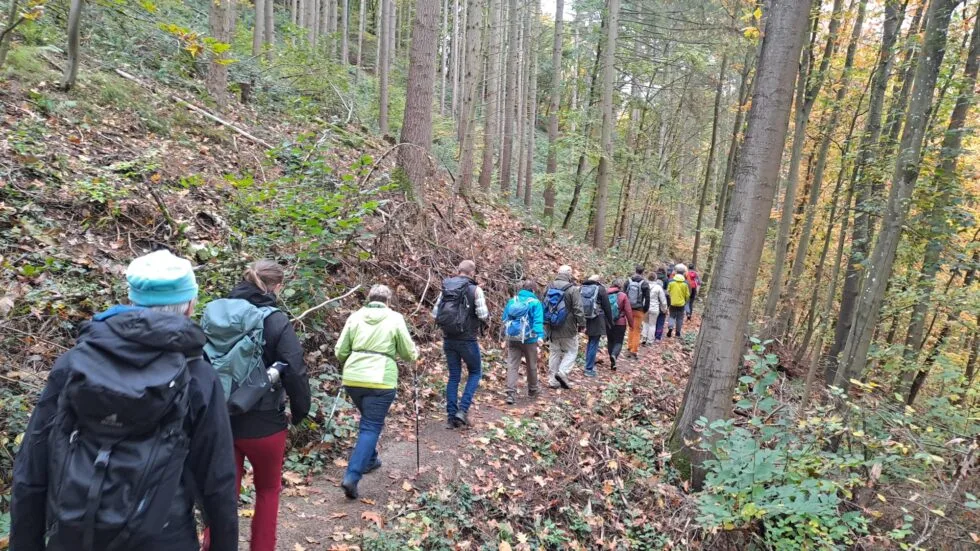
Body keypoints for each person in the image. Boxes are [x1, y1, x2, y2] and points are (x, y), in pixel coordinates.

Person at [11, 250, 239, 551]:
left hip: (75, 532)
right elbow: (217, 479)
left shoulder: (74, 364)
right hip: (163, 536)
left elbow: (32, 467)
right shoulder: (197, 375)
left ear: (131, 299)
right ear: (190, 306)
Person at [213, 260, 311, 551]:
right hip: (265, 423)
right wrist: (300, 411)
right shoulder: (275, 319)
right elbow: (295, 368)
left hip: (221, 420)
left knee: (223, 494)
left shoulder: (218, 313)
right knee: (268, 491)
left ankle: (214, 545)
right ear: (276, 286)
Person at [335, 285, 419, 499]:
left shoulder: (355, 317)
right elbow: (408, 352)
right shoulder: (395, 318)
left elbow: (340, 350)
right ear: (388, 301)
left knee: (367, 421)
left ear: (369, 298)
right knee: (371, 427)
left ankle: (370, 459)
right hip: (381, 380)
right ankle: (352, 477)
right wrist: (414, 354)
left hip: (353, 378)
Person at [433, 260, 489, 428]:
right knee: (475, 372)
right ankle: (462, 411)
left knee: (454, 376)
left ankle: (451, 417)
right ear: (472, 273)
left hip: (449, 338)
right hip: (467, 339)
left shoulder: (447, 287)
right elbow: (483, 314)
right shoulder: (475, 289)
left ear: (459, 270)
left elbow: (435, 313)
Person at [500, 280, 545, 404]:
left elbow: (505, 318)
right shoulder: (535, 303)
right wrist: (540, 336)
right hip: (529, 339)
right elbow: (537, 321)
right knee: (531, 365)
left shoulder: (512, 301)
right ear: (533, 290)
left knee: (512, 365)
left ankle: (510, 393)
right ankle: (532, 390)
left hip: (513, 337)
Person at [544, 265, 585, 389]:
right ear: (569, 274)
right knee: (572, 351)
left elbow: (544, 304)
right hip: (568, 327)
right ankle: (562, 372)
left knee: (554, 351)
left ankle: (552, 381)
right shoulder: (572, 289)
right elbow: (578, 308)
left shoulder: (549, 286)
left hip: (551, 326)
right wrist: (582, 323)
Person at [581, 274, 614, 377]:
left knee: (590, 341)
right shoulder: (600, 289)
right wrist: (610, 321)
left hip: (585, 318)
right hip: (597, 318)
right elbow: (607, 306)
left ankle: (587, 365)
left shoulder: (581, 288)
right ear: (598, 281)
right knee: (594, 342)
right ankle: (588, 369)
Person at [606, 279, 634, 370]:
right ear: (620, 286)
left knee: (610, 341)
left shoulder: (605, 294)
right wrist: (631, 324)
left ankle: (612, 359)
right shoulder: (623, 296)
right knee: (618, 341)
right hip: (620, 323)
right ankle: (614, 356)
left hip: (608, 322)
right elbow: (628, 311)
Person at [625, 265, 651, 357]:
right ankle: (634, 350)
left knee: (631, 328)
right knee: (637, 329)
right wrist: (645, 309)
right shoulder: (644, 283)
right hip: (639, 309)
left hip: (629, 309)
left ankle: (629, 346)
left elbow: (623, 295)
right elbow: (647, 298)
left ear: (635, 270)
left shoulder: (628, 281)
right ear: (643, 272)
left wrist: (624, 308)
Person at [666, 264, 691, 339]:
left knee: (672, 316)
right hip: (681, 304)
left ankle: (670, 328)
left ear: (676, 272)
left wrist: (670, 299)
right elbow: (687, 295)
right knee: (680, 318)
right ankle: (677, 333)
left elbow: (667, 292)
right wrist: (685, 301)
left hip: (672, 302)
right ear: (684, 273)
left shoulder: (671, 281)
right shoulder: (685, 283)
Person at [642, 273, 668, 345]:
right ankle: (650, 340)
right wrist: (664, 309)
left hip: (645, 307)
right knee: (652, 325)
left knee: (645, 323)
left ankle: (644, 337)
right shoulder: (658, 287)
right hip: (654, 308)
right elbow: (663, 300)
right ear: (655, 278)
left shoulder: (644, 285)